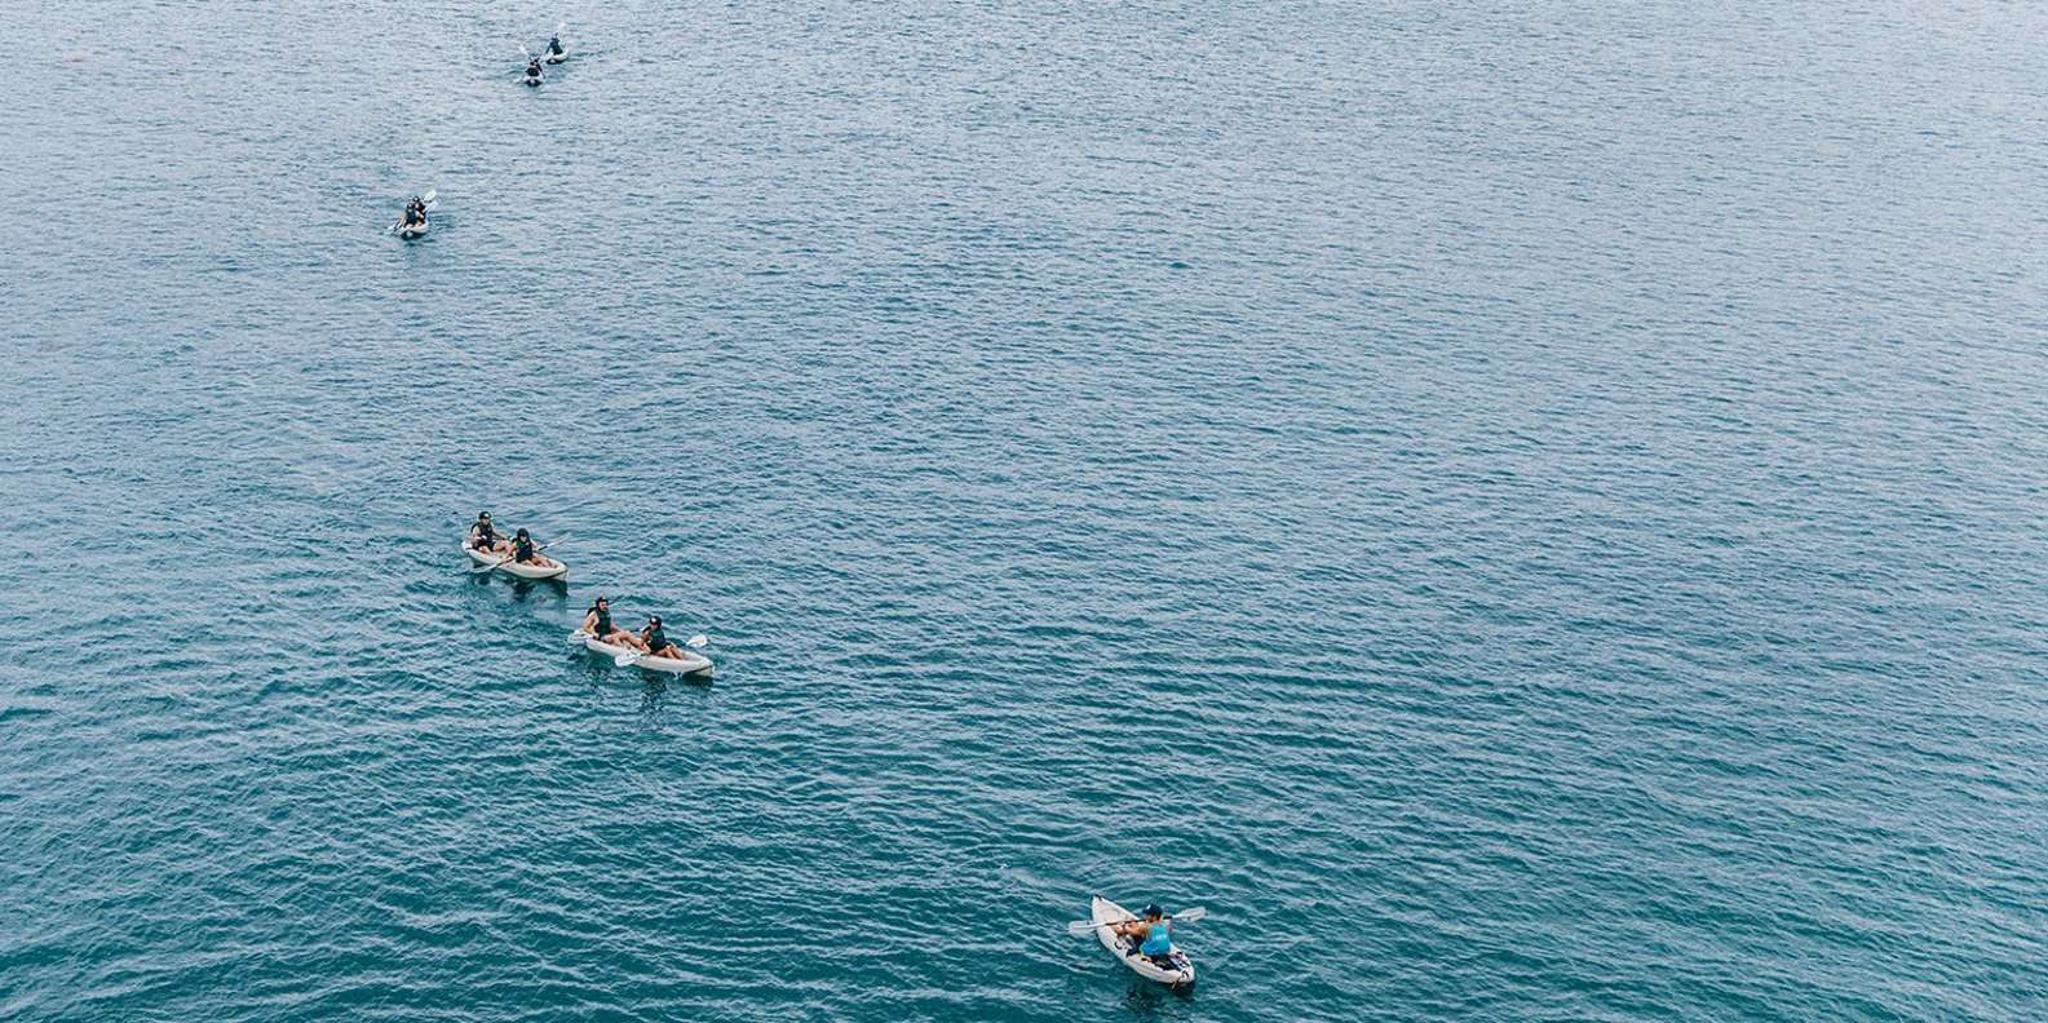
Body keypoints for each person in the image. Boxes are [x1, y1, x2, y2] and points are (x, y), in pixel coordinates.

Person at [580, 596, 644, 650]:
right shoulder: (593, 614)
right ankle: (624, 650)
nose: (605, 606)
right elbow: (585, 627)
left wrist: (621, 630)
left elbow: (612, 626)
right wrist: (594, 634)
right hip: (601, 636)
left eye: (606, 605)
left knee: (627, 634)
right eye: (602, 605)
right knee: (615, 638)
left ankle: (641, 646)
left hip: (609, 634)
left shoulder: (606, 612)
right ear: (598, 605)